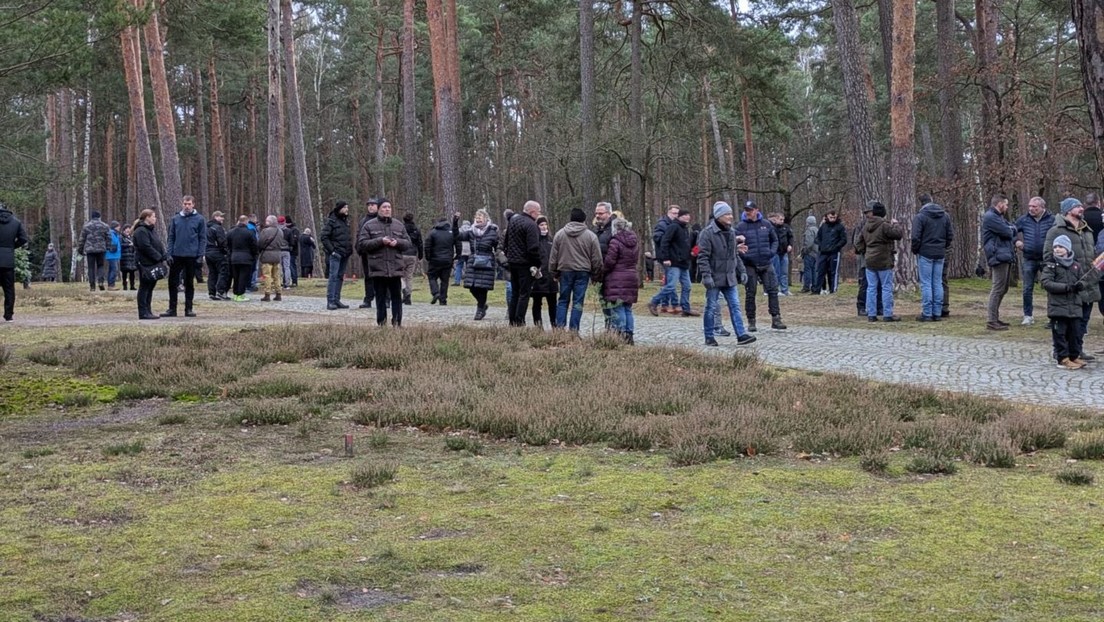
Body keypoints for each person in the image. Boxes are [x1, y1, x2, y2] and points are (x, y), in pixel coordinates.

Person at [1046, 197, 1100, 361]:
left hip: (1087, 282)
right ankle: (1061, 351)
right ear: (1068, 210)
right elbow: (1048, 256)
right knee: (1063, 323)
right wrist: (1061, 280)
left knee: (1082, 321)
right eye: (1077, 206)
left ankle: (1077, 350)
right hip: (1066, 285)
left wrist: (1095, 273)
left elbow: (1092, 255)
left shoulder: (1087, 230)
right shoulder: (1056, 231)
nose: (1081, 208)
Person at [698, 202, 756, 347]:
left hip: (729, 277)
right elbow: (703, 257)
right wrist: (706, 276)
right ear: (719, 216)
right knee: (711, 307)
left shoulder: (731, 232)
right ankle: (709, 336)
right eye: (727, 214)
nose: (730, 217)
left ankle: (741, 334)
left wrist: (741, 271)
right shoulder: (707, 233)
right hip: (714, 277)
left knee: (735, 305)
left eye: (731, 213)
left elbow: (734, 255)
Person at [358, 199, 412, 326]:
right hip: (378, 267)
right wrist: (380, 241)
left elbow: (408, 243)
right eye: (384, 207)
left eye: (389, 207)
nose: (387, 209)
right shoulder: (369, 225)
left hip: (395, 267)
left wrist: (397, 242)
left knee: (397, 297)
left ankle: (397, 323)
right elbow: (362, 244)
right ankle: (381, 323)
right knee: (380, 298)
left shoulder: (399, 225)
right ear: (379, 209)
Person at [1042, 235, 1092, 369]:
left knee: (1075, 333)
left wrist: (1081, 285)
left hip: (1074, 307)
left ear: (1068, 249)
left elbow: (1084, 279)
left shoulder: (1076, 265)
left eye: (1060, 247)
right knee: (1060, 334)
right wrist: (1066, 287)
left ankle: (1074, 356)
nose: (1057, 249)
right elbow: (1046, 283)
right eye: (1055, 247)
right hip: (1058, 307)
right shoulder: (1050, 264)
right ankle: (1062, 358)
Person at [735, 201, 786, 331]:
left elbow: (774, 240)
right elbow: (734, 245)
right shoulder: (740, 226)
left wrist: (771, 252)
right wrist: (744, 256)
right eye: (746, 209)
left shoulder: (766, 224)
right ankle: (751, 321)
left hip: (766, 262)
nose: (748, 212)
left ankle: (776, 318)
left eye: (750, 210)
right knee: (750, 293)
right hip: (750, 264)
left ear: (756, 210)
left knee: (773, 290)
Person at [549, 208, 603, 331]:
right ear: (584, 220)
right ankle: (574, 330)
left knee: (563, 300)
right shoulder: (591, 236)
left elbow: (553, 257)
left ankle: (560, 329)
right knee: (578, 302)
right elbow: (597, 259)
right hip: (583, 272)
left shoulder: (560, 234)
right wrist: (596, 275)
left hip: (565, 271)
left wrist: (554, 272)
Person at [854, 201, 903, 322]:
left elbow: (858, 243)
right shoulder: (884, 225)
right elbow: (898, 234)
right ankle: (887, 314)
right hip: (883, 259)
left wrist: (866, 251)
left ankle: (871, 314)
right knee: (886, 287)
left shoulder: (866, 226)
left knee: (871, 287)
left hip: (869, 260)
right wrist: (896, 224)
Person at [911, 193, 954, 322]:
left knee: (926, 284)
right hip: (940, 252)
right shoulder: (945, 216)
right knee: (937, 282)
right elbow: (950, 235)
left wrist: (916, 249)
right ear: (932, 200)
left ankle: (927, 313)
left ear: (921, 204)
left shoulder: (920, 217)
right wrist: (942, 246)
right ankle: (937, 312)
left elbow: (915, 237)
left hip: (925, 252)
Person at [163, 195, 206, 317]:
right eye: (185, 204)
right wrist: (169, 253)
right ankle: (172, 308)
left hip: (192, 255)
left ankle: (188, 308)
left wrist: (200, 254)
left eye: (189, 204)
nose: (187, 206)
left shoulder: (199, 219)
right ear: (182, 204)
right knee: (172, 282)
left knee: (189, 283)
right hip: (177, 255)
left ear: (193, 205)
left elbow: (202, 238)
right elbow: (171, 237)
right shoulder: (175, 219)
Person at [1014, 197, 1054, 326]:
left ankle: (1052, 316)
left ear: (1042, 207)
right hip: (1029, 258)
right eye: (1030, 206)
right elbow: (1011, 230)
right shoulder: (1024, 220)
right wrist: (1016, 241)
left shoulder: (1052, 220)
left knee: (1051, 288)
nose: (1031, 209)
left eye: (1034, 207)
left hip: (1047, 259)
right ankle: (1028, 315)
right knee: (1027, 288)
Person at [648, 208, 695, 317]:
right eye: (684, 215)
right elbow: (665, 242)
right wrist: (666, 258)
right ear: (679, 216)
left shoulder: (685, 229)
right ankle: (654, 302)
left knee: (687, 286)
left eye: (688, 215)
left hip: (683, 262)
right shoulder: (673, 227)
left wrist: (690, 254)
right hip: (674, 262)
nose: (687, 217)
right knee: (671, 286)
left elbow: (684, 245)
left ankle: (685, 308)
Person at [454, 209, 499, 320]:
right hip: (473, 260)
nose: (478, 219)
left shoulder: (492, 232)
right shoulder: (470, 232)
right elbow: (457, 236)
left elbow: (498, 246)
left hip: (487, 262)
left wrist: (500, 258)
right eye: (476, 217)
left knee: (482, 288)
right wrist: (455, 222)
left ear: (486, 219)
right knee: (471, 287)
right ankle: (483, 305)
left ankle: (480, 310)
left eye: (480, 217)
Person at [601, 218, 640, 344]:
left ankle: (620, 334)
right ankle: (629, 335)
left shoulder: (615, 242)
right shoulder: (635, 242)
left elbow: (610, 261)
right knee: (628, 308)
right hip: (631, 276)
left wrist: (603, 271)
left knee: (618, 308)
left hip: (616, 278)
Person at [503, 200, 543, 326]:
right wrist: (537, 263)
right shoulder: (531, 225)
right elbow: (533, 248)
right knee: (524, 294)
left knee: (515, 293)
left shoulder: (513, 221)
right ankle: (520, 321)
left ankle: (512, 321)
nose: (539, 213)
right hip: (525, 264)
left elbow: (506, 242)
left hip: (512, 263)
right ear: (532, 211)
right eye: (539, 211)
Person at [981, 194, 1016, 331]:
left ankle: (995, 317)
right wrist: (1010, 230)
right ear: (1000, 204)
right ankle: (991, 320)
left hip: (1004, 254)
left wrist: (1011, 229)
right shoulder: (991, 217)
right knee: (997, 288)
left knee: (1003, 288)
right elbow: (1008, 232)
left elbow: (1012, 228)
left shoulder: (998, 217)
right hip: (998, 255)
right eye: (1006, 204)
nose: (1007, 207)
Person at [131, 209, 165, 320]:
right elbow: (145, 247)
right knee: (144, 287)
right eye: (153, 216)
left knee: (150, 287)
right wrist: (158, 256)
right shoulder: (141, 231)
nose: (155, 218)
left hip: (152, 262)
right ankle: (143, 312)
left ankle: (148, 310)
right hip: (145, 263)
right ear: (147, 218)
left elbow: (157, 244)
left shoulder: (150, 230)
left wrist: (163, 255)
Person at [321, 200, 353, 310]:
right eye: (345, 207)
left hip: (345, 253)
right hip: (336, 254)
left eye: (347, 207)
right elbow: (324, 237)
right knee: (333, 277)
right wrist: (332, 251)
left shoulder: (345, 221)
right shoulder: (331, 221)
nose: (347, 210)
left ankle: (337, 299)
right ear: (340, 209)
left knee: (340, 277)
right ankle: (330, 301)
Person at [0, 202, 29, 321]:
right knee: (9, 288)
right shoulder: (16, 222)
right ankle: (8, 314)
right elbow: (23, 239)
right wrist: (12, 247)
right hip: (8, 259)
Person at [530, 216, 557, 327]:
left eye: (545, 225)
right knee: (537, 303)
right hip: (538, 277)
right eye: (541, 225)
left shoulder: (552, 240)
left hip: (551, 277)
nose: (544, 227)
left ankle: (554, 325)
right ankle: (538, 326)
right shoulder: (534, 241)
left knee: (553, 303)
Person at [651, 205, 679, 310]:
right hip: (665, 255)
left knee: (669, 280)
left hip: (673, 255)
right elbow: (657, 237)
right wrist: (669, 238)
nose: (676, 215)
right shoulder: (662, 224)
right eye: (674, 213)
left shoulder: (675, 225)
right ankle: (672, 303)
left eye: (677, 213)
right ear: (668, 213)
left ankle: (665, 304)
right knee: (671, 281)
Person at [226, 215, 259, 301]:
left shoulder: (231, 232)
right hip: (246, 258)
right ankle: (240, 294)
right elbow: (254, 245)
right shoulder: (249, 232)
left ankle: (236, 294)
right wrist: (254, 255)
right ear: (246, 222)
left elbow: (227, 244)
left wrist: (231, 253)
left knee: (236, 276)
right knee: (243, 277)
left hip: (234, 257)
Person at [813, 210, 846, 294]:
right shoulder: (823, 226)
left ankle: (833, 289)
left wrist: (836, 247)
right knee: (820, 271)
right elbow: (817, 238)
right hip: (823, 252)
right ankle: (817, 289)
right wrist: (821, 245)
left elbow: (844, 239)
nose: (832, 219)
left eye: (834, 217)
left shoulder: (840, 227)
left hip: (834, 252)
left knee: (833, 272)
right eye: (831, 217)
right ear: (827, 217)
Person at [78, 210, 111, 291]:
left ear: (91, 217)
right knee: (101, 266)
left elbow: (82, 239)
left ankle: (92, 285)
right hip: (101, 249)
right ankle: (100, 282)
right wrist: (108, 247)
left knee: (91, 267)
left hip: (90, 249)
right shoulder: (104, 226)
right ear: (99, 217)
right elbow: (109, 238)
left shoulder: (86, 226)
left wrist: (80, 249)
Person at [424, 216, 455, 305]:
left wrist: (428, 257)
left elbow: (427, 246)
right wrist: (456, 256)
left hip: (435, 259)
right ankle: (443, 299)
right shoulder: (451, 233)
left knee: (432, 277)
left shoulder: (433, 233)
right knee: (445, 280)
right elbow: (458, 244)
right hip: (448, 260)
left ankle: (435, 292)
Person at [357, 198, 380, 308]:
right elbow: (359, 235)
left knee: (382, 276)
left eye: (373, 205)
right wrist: (359, 248)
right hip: (366, 253)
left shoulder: (382, 219)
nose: (371, 207)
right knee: (368, 276)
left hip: (380, 252)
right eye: (369, 205)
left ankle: (385, 299)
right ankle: (368, 299)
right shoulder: (363, 220)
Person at [257, 215, 287, 302]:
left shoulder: (265, 231)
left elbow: (261, 242)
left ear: (269, 222)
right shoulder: (280, 231)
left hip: (267, 255)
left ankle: (267, 294)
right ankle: (278, 293)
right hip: (277, 254)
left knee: (267, 275)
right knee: (277, 275)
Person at [205, 211, 230, 301]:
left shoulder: (207, 228)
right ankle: (221, 291)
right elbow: (222, 242)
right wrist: (226, 251)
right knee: (223, 271)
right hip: (217, 252)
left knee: (212, 272)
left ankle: (212, 292)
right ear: (215, 217)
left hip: (208, 252)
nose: (222, 218)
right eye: (221, 217)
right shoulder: (218, 228)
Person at [768, 212, 793, 296]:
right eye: (780, 219)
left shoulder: (786, 227)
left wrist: (790, 245)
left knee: (784, 272)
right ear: (776, 219)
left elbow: (790, 237)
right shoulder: (772, 228)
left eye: (783, 219)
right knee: (776, 272)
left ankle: (785, 289)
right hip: (775, 252)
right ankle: (776, 289)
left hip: (784, 252)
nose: (782, 221)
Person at [401, 212, 423, 305]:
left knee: (400, 275)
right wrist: (421, 255)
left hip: (402, 253)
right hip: (412, 255)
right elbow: (420, 243)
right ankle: (408, 295)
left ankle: (404, 289)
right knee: (409, 276)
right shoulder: (416, 229)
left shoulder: (401, 228)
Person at [800, 214, 818, 293]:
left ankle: (806, 286)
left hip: (810, 253)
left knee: (807, 270)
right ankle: (814, 286)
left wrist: (804, 251)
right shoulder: (817, 230)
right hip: (817, 253)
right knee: (814, 270)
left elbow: (809, 243)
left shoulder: (809, 230)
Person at [277, 216, 293, 289]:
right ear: (284, 222)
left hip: (278, 250)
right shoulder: (288, 231)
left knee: (278, 267)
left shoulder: (276, 231)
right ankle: (287, 283)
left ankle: (279, 283)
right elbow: (292, 242)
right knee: (287, 267)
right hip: (286, 251)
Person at [119, 226, 137, 291]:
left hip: (132, 257)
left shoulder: (132, 237)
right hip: (124, 257)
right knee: (125, 273)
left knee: (132, 273)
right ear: (123, 230)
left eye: (129, 230)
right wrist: (128, 245)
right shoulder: (121, 237)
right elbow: (120, 245)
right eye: (126, 230)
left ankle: (132, 286)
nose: (128, 232)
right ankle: (125, 286)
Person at [105, 221, 122, 290]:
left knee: (111, 269)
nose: (119, 228)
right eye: (118, 226)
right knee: (114, 270)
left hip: (115, 254)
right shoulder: (111, 234)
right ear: (115, 227)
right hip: (111, 254)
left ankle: (110, 284)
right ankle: (111, 285)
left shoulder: (116, 234)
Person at [453, 220, 471, 286]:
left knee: (459, 266)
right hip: (469, 251)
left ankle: (457, 281)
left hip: (461, 250)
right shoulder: (471, 230)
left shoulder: (459, 230)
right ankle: (468, 281)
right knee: (469, 266)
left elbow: (456, 239)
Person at [285, 216, 300, 286]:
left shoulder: (294, 230)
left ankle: (294, 281)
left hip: (292, 251)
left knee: (292, 265)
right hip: (288, 250)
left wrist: (289, 243)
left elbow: (295, 240)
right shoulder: (288, 229)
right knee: (288, 266)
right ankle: (287, 280)